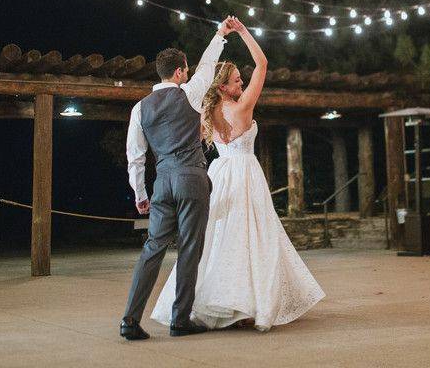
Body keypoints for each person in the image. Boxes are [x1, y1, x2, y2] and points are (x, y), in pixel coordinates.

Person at [151, 17, 325, 331]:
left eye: (241, 81)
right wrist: (243, 32)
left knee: (217, 239)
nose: (241, 85)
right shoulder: (243, 107)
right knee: (251, 239)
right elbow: (263, 63)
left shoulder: (205, 110)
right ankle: (245, 305)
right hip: (245, 172)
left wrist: (222, 36)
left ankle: (210, 303)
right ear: (222, 87)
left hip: (219, 173)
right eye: (235, 81)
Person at [119, 17, 237, 340]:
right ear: (181, 71)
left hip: (162, 184)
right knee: (189, 249)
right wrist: (220, 34)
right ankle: (179, 320)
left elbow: (136, 156)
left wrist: (139, 193)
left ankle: (130, 320)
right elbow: (210, 65)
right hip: (192, 180)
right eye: (187, 70)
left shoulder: (139, 109)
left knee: (153, 248)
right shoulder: (189, 94)